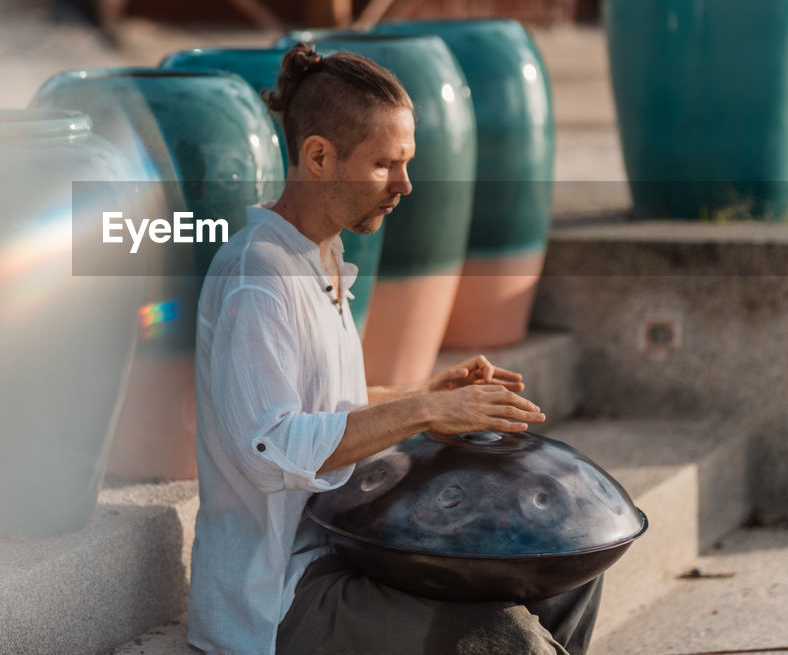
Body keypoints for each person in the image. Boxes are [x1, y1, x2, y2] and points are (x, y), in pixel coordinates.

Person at [188, 43, 603, 655]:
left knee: (565, 576)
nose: (406, 184)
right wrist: (425, 415)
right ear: (320, 156)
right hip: (280, 595)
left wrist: (427, 393)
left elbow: (325, 408)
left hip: (349, 547)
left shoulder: (317, 258)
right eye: (386, 164)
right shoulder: (259, 279)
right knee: (504, 639)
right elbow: (269, 449)